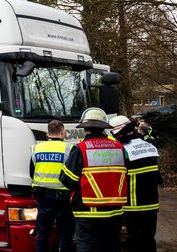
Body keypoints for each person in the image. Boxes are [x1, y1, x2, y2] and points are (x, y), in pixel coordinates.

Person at [59, 107, 128, 252]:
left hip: (88, 213)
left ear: (86, 129)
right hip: (115, 212)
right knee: (111, 247)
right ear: (104, 128)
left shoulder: (80, 148)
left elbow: (67, 180)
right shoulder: (119, 148)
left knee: (88, 247)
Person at [110, 116, 160, 252]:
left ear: (120, 133)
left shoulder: (123, 150)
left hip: (134, 206)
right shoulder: (149, 146)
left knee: (135, 240)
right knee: (149, 239)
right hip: (151, 203)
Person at [29, 119, 75, 252]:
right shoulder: (69, 149)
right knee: (65, 233)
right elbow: (73, 175)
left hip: (42, 197)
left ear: (48, 134)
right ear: (63, 132)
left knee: (42, 234)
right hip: (63, 198)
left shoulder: (37, 148)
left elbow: (32, 172)